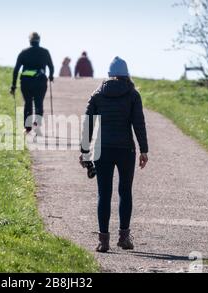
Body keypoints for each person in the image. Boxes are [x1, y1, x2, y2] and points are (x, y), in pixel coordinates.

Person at [80, 57, 149, 253]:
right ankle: (124, 238)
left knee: (104, 194)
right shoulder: (133, 95)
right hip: (126, 149)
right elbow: (139, 123)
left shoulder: (98, 94)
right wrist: (144, 150)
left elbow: (88, 125)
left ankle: (103, 241)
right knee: (125, 192)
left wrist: (84, 151)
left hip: (103, 150)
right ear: (127, 74)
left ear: (109, 75)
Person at [11, 32, 54, 136]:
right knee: (39, 102)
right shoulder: (45, 52)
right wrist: (51, 76)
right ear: (39, 40)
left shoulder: (24, 52)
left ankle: (27, 128)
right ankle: (37, 124)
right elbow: (51, 67)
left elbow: (16, 69)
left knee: (28, 103)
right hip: (40, 81)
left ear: (29, 40)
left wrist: (13, 85)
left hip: (26, 81)